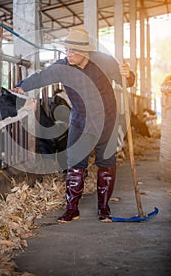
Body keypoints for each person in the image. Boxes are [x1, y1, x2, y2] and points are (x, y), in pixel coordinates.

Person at [13, 28, 135, 223]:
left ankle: (104, 209)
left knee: (106, 163)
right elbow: (42, 77)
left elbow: (127, 82)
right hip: (80, 120)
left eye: (72, 51)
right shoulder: (62, 66)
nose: (68, 54)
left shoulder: (104, 62)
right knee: (75, 163)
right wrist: (22, 85)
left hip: (107, 120)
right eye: (66, 50)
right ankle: (72, 209)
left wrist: (128, 75)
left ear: (85, 52)